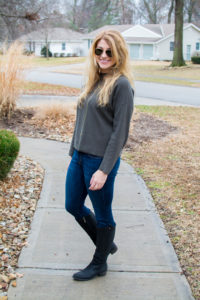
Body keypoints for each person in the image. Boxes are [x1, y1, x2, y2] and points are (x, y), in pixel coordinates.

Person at [65, 29, 134, 281]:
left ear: (118, 54)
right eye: (99, 50)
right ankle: (106, 244)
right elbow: (82, 118)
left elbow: (120, 134)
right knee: (72, 205)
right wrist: (73, 151)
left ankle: (99, 263)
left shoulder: (122, 85)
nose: (103, 56)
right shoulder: (94, 79)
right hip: (80, 157)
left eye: (109, 51)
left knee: (103, 214)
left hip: (99, 161)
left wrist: (104, 170)